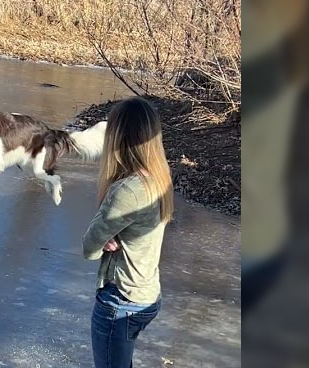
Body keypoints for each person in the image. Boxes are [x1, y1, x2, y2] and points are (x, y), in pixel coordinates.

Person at [82, 96, 174, 368]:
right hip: (147, 294)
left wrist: (102, 237)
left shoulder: (126, 191)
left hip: (121, 300)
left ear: (117, 137)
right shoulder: (159, 175)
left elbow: (89, 247)